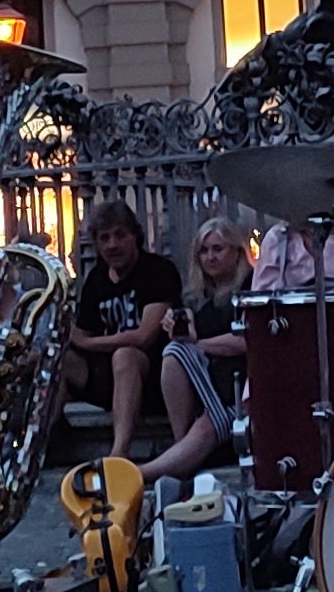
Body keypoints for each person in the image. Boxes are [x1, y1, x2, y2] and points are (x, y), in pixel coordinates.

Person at [137, 211, 253, 491]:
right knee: (174, 351)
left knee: (204, 426)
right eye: (203, 251)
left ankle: (135, 474)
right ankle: (181, 446)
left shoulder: (250, 287)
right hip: (207, 389)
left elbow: (248, 341)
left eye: (217, 249)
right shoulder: (193, 297)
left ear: (237, 253)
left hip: (240, 391)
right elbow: (186, 339)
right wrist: (178, 329)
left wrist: (198, 344)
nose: (210, 257)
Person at [66, 199, 183, 466]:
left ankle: (119, 455)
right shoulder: (96, 279)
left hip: (152, 376)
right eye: (104, 238)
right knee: (58, 360)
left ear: (135, 236)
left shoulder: (158, 272)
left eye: (120, 235)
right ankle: (50, 440)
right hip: (105, 378)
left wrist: (88, 342)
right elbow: (79, 335)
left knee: (125, 356)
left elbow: (144, 337)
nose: (112, 245)